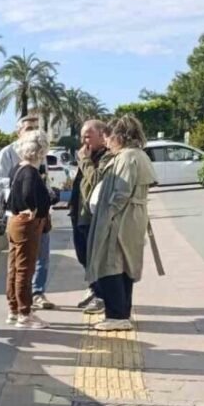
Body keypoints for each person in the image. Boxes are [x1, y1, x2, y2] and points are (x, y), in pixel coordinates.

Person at [85, 114, 156, 332]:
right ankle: (122, 312)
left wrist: (107, 218)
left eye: (108, 136)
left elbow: (121, 194)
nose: (106, 141)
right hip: (131, 217)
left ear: (119, 136)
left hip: (120, 219)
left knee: (110, 264)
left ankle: (116, 315)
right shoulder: (138, 155)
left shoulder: (126, 158)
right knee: (124, 266)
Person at [0, 115, 54, 311]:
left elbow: (43, 179)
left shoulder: (39, 154)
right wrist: (23, 203)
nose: (33, 131)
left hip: (39, 217)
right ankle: (21, 307)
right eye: (29, 128)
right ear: (18, 131)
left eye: (36, 128)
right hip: (22, 215)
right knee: (20, 264)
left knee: (42, 256)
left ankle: (37, 293)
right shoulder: (9, 153)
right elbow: (3, 182)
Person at [69, 120, 112, 314]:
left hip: (92, 216)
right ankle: (94, 288)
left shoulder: (107, 156)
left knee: (95, 258)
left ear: (102, 135)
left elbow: (95, 180)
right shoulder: (88, 155)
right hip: (79, 213)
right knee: (82, 255)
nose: (84, 141)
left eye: (88, 136)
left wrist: (84, 161)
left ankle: (101, 295)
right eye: (82, 137)